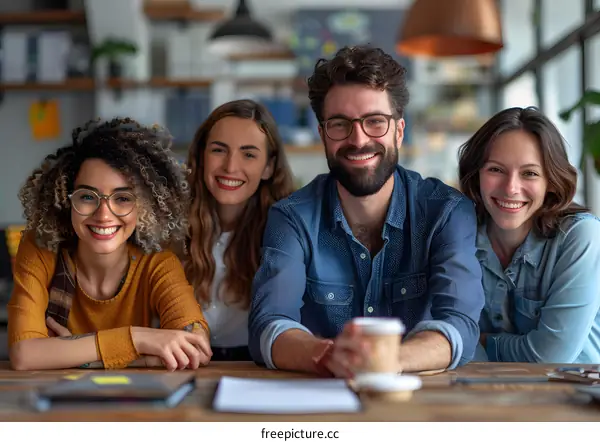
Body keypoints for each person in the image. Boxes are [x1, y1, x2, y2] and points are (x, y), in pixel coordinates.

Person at [248, 45, 485, 377]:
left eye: (375, 122)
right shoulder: (291, 218)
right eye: (340, 124)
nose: (358, 140)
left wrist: (387, 362)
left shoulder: (446, 211)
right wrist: (326, 356)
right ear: (322, 135)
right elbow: (269, 324)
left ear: (399, 131)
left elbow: (459, 324)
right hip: (322, 402)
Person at [8, 117, 212, 371]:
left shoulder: (159, 264)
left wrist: (71, 353)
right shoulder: (41, 249)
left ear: (144, 205)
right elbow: (24, 355)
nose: (104, 214)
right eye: (87, 197)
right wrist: (139, 339)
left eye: (123, 198)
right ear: (64, 200)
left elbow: (197, 348)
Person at [458, 106, 600, 363]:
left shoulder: (581, 237)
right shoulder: (457, 235)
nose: (511, 188)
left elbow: (551, 356)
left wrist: (480, 341)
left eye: (530, 173)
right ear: (476, 173)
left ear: (551, 182)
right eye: (496, 169)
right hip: (486, 395)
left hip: (575, 398)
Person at [183, 99, 295, 361]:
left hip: (259, 365)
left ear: (268, 166)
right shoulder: (167, 224)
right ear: (201, 156)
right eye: (219, 150)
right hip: (183, 362)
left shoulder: (287, 232)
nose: (231, 167)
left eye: (249, 154)